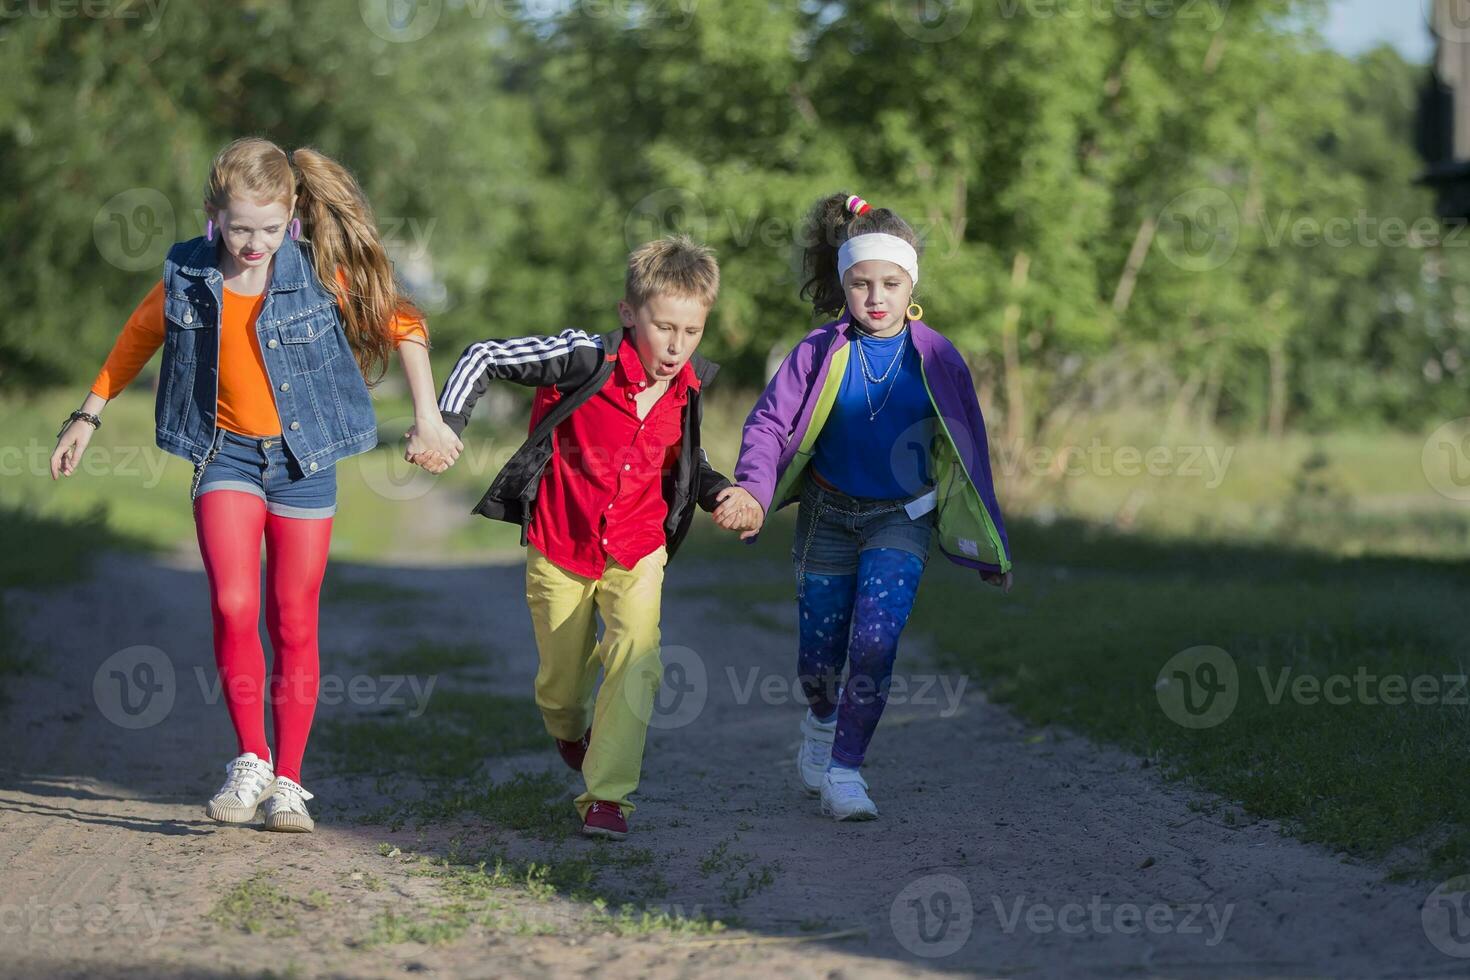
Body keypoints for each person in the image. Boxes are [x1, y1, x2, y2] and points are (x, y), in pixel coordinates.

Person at [50, 137, 462, 832]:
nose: (253, 243)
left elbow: (405, 320)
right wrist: (87, 415)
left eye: (270, 230)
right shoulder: (187, 271)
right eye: (239, 227)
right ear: (214, 213)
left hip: (304, 462)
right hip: (225, 457)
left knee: (294, 617)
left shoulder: (318, 270)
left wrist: (428, 417)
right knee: (236, 601)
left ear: (293, 216)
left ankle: (290, 784)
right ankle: (250, 759)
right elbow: (138, 335)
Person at [433, 234, 761, 839]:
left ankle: (608, 797)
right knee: (561, 688)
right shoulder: (585, 357)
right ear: (629, 313)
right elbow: (482, 355)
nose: (677, 345)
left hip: (638, 548)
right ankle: (568, 727)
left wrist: (725, 494)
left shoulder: (687, 388)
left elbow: (687, 461)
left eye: (692, 332)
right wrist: (446, 422)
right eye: (664, 327)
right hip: (561, 545)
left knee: (638, 655)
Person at [733, 192, 1014, 821]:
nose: (876, 297)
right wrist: (752, 490)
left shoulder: (937, 356)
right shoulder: (818, 350)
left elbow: (970, 453)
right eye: (861, 284)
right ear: (844, 284)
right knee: (818, 656)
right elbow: (769, 427)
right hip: (827, 518)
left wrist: (989, 543)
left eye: (891, 283)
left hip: (901, 519)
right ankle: (821, 720)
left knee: (876, 641)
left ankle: (846, 771)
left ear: (911, 283)